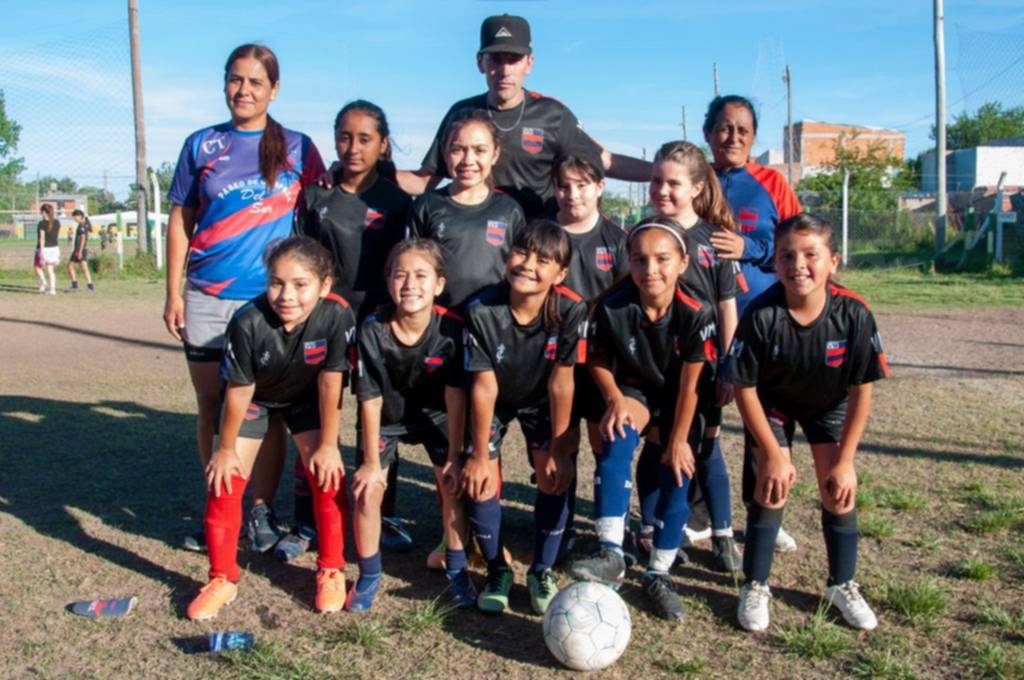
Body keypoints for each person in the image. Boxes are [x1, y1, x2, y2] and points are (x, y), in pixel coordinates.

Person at [164, 43, 325, 555]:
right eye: (235, 79)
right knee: (213, 404)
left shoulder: (299, 147)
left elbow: (326, 213)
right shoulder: (201, 145)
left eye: (256, 82)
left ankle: (260, 510)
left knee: (265, 408)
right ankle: (223, 508)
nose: (244, 90)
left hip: (270, 302)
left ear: (274, 90)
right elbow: (180, 222)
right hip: (209, 296)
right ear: (224, 82)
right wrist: (174, 292)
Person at [726, 213, 888, 633]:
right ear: (774, 263)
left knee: (838, 489)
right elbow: (745, 390)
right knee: (771, 484)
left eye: (810, 254)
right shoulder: (761, 315)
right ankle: (756, 585)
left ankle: (842, 584)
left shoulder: (854, 313)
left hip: (828, 405)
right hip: (773, 405)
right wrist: (772, 454)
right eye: (786, 255)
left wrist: (846, 460)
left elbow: (861, 390)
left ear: (833, 261)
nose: (798, 264)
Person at [186, 237, 356, 620]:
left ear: (324, 285)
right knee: (225, 481)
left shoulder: (337, 315)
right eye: (276, 282)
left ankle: (331, 568)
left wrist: (328, 445)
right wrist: (225, 449)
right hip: (256, 399)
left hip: (306, 398)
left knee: (328, 474)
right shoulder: (247, 320)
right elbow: (239, 390)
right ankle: (222, 578)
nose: (286, 295)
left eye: (300, 284)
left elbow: (332, 382)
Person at [569, 218, 716, 621]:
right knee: (616, 439)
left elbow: (690, 387)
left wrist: (678, 440)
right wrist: (614, 398)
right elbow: (596, 357)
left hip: (681, 399)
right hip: (634, 390)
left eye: (662, 259)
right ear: (627, 262)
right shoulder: (612, 304)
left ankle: (658, 573)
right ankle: (612, 553)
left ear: (683, 262)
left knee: (678, 472)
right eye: (639, 259)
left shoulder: (697, 311)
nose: (651, 269)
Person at [292, 100, 413, 561]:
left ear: (383, 145)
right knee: (317, 419)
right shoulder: (315, 197)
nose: (353, 147)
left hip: (377, 325)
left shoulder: (399, 202)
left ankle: (387, 513)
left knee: (380, 421)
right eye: (345, 137)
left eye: (365, 139)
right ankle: (308, 517)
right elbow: (301, 261)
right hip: (323, 324)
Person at [398, 14, 651, 219]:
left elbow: (606, 161)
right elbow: (424, 182)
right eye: (496, 59)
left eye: (514, 59)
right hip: (481, 245)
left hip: (536, 245)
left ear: (529, 63)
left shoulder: (553, 114)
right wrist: (371, 170)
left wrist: (661, 174)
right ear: (480, 62)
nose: (505, 70)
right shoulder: (461, 115)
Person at [462, 220, 586, 615]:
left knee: (553, 476)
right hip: (496, 399)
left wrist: (561, 448)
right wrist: (481, 454)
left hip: (541, 400)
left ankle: (541, 570)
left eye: (543, 260)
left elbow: (562, 384)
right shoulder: (481, 309)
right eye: (522, 253)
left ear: (560, 273)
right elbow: (483, 387)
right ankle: (498, 569)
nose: (529, 265)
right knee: (481, 479)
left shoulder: (570, 307)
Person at [347, 239, 475, 612]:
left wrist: (454, 455)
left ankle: (457, 569)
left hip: (435, 417)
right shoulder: (372, 327)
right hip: (386, 420)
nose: (410, 284)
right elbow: (368, 398)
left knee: (452, 485)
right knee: (368, 491)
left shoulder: (451, 329)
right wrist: (372, 463)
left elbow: (456, 396)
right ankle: (369, 574)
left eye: (421, 275)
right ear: (388, 281)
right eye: (400, 274)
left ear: (438, 284)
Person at [702, 95, 804, 553]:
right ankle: (700, 509)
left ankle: (762, 510)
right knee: (702, 415)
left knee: (764, 420)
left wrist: (749, 248)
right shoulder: (695, 178)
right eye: (724, 128)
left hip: (760, 318)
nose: (733, 137)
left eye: (743, 130)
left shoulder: (770, 182)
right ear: (708, 133)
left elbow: (795, 238)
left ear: (754, 137)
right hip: (702, 319)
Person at [644, 141, 742, 573]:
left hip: (702, 370)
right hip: (655, 367)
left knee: (707, 448)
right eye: (656, 181)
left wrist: (730, 365)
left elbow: (727, 309)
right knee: (655, 447)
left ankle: (722, 536)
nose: (662, 190)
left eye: (673, 183)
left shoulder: (714, 240)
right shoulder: (646, 234)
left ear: (698, 187)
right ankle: (649, 529)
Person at [551, 146, 628, 561]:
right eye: (563, 186)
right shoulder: (543, 234)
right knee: (561, 444)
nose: (572, 195)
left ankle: (608, 533)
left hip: (601, 364)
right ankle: (557, 531)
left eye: (582, 185)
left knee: (605, 447)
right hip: (555, 363)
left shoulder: (616, 239)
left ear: (599, 187)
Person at [406, 109, 526, 310]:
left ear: (495, 154)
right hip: (440, 323)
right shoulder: (427, 205)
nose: (468, 160)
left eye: (479, 150)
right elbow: (410, 266)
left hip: (492, 322)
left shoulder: (509, 210)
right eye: (457, 149)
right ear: (444, 153)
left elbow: (519, 272)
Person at [34, 204, 61, 295]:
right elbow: (56, 236)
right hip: (54, 248)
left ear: (44, 212)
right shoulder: (57, 222)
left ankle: (43, 282)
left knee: (37, 266)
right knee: (50, 269)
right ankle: (52, 289)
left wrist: (41, 251)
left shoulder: (42, 224)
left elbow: (42, 238)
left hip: (44, 248)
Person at [66, 209, 95, 292]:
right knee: (71, 266)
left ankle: (87, 286)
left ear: (79, 216)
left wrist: (79, 251)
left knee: (81, 267)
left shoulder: (82, 226)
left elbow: (82, 239)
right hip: (79, 249)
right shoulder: (83, 224)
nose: (74, 219)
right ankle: (81, 285)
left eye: (75, 217)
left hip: (80, 249)